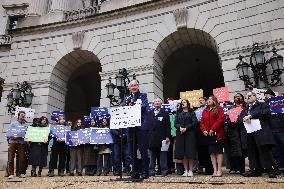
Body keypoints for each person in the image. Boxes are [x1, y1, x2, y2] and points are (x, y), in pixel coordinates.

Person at [238, 91, 276, 178]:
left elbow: (265, 113)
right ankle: (255, 170)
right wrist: (244, 118)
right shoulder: (245, 108)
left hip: (261, 132)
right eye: (247, 97)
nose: (248, 98)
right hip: (250, 133)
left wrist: (251, 116)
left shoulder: (262, 104)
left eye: (250, 96)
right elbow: (240, 118)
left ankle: (271, 170)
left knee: (264, 151)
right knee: (252, 151)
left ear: (255, 96)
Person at [124, 80, 149, 180]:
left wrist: (133, 106)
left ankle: (145, 172)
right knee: (132, 151)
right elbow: (123, 109)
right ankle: (135, 172)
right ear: (129, 88)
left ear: (138, 86)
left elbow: (144, 106)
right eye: (132, 86)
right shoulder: (127, 98)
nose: (133, 87)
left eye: (135, 85)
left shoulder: (143, 95)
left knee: (143, 151)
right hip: (131, 128)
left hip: (141, 127)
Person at [200, 95, 225, 177]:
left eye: (210, 99)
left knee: (218, 151)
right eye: (208, 99)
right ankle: (214, 170)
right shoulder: (205, 110)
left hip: (217, 134)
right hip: (208, 135)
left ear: (214, 101)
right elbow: (202, 122)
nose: (209, 101)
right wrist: (204, 130)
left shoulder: (218, 108)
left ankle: (219, 170)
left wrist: (213, 129)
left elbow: (220, 120)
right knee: (211, 152)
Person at [174, 99, 198, 177]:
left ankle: (190, 170)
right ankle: (186, 170)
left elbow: (195, 122)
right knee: (183, 152)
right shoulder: (178, 113)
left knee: (190, 152)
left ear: (187, 103)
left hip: (190, 134)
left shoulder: (191, 112)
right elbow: (175, 123)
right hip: (180, 134)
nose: (183, 104)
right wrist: (180, 128)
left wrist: (186, 128)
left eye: (184, 102)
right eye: (182, 103)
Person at [148, 98, 170, 177]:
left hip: (162, 138)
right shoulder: (149, 113)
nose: (157, 103)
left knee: (163, 156)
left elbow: (168, 126)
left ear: (161, 104)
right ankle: (151, 171)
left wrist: (167, 136)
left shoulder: (165, 113)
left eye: (158, 102)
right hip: (151, 138)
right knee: (152, 156)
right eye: (155, 101)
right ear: (153, 104)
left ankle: (164, 171)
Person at [225, 93, 247, 174]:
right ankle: (234, 167)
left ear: (242, 98)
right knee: (234, 150)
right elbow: (227, 119)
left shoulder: (246, 106)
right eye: (235, 97)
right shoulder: (231, 108)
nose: (237, 98)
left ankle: (242, 169)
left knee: (243, 150)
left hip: (243, 130)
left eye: (239, 96)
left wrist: (239, 120)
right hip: (233, 131)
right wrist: (229, 120)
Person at [264, 89, 284, 174]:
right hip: (271, 131)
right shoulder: (265, 105)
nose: (268, 97)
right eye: (266, 96)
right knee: (276, 150)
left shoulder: (280, 104)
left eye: (269, 96)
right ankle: (281, 167)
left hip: (281, 130)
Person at [7, 111, 28, 179]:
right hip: (13, 142)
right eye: (22, 115)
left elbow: (27, 134)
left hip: (21, 142)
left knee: (22, 158)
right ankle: (11, 174)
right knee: (11, 158)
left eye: (24, 115)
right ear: (18, 116)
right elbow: (9, 132)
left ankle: (21, 173)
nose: (23, 116)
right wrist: (12, 137)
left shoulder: (26, 125)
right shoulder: (13, 123)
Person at [195, 97, 214, 175]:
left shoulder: (208, 109)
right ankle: (201, 167)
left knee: (208, 150)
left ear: (206, 101)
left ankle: (209, 168)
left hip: (208, 130)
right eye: (199, 100)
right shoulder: (196, 111)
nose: (200, 101)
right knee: (201, 150)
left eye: (202, 100)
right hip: (199, 131)